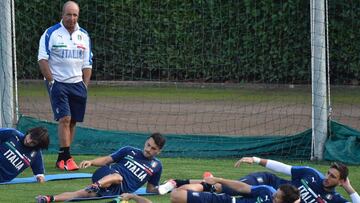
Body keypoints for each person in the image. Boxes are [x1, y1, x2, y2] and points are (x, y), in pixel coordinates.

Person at [38, 0, 93, 171]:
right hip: (58, 82)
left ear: (78, 16)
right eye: (68, 14)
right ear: (62, 15)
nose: (71, 18)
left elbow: (87, 63)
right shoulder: (51, 33)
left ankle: (62, 158)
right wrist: (52, 81)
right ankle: (68, 157)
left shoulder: (83, 35)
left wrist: (85, 85)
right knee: (65, 118)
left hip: (77, 84)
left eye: (75, 14)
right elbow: (42, 59)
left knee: (73, 121)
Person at [36, 133, 166, 203]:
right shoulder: (129, 150)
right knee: (118, 177)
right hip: (105, 175)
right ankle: (97, 185)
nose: (148, 149)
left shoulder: (157, 167)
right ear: (145, 142)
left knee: (81, 194)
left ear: (159, 151)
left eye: (153, 148)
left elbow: (150, 189)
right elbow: (107, 160)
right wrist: (91, 162)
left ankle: (49, 198)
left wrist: (165, 188)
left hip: (116, 190)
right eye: (148, 144)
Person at [230, 157, 360, 203]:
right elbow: (284, 168)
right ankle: (210, 185)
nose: (327, 178)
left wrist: (348, 187)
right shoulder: (312, 174)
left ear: (341, 181)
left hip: (271, 200)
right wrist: (256, 160)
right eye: (328, 173)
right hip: (267, 182)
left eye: (333, 177)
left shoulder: (336, 200)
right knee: (226, 188)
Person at [170, 175, 300, 203]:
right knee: (177, 195)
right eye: (275, 193)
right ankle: (206, 185)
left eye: (277, 198)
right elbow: (243, 187)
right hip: (227, 202)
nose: (273, 196)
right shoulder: (267, 191)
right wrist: (219, 179)